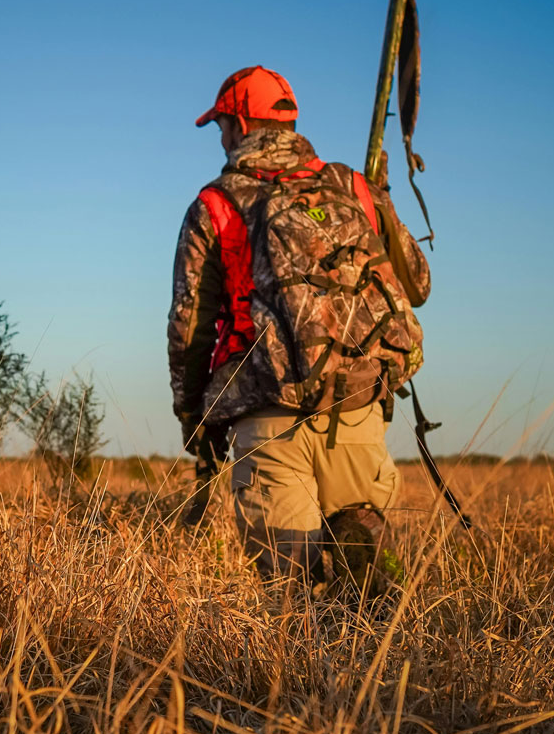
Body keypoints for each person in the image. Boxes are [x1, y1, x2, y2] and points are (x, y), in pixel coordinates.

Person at [168, 65, 431, 586]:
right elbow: (417, 285)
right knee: (371, 579)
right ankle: (393, 662)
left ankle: (310, 658)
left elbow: (190, 327)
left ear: (241, 124)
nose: (220, 138)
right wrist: (378, 201)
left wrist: (193, 419)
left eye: (221, 125)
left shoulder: (216, 204)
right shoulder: (351, 186)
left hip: (266, 418)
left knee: (290, 599)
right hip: (356, 409)